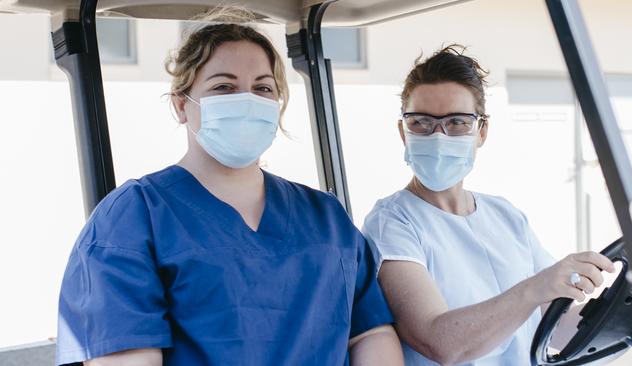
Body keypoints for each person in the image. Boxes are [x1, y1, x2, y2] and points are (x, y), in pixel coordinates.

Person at [55, 9, 403, 366]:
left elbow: (370, 332)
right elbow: (127, 356)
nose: (247, 100)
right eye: (224, 87)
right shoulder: (134, 217)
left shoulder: (325, 216)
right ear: (181, 105)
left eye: (262, 88)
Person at [361, 44, 615, 366]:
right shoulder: (392, 222)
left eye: (457, 122)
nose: (439, 136)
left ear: (481, 131)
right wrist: (536, 287)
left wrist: (627, 310)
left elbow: (555, 327)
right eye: (421, 123)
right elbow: (439, 342)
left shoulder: (505, 216)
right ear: (403, 131)